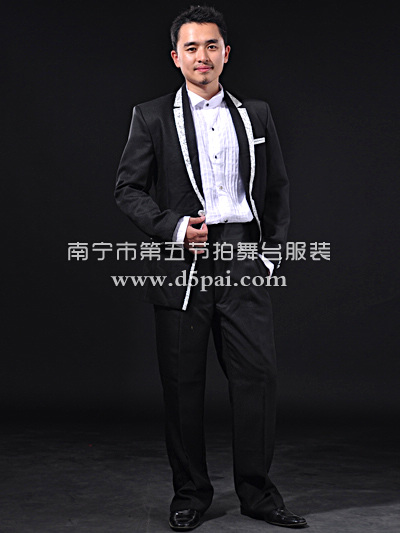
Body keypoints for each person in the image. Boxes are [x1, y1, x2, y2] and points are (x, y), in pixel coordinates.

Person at [115, 5, 307, 530]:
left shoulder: (256, 114)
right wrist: (175, 227)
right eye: (192, 47)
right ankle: (190, 494)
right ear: (176, 57)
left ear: (226, 53)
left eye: (212, 46)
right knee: (183, 385)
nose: (203, 56)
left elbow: (276, 188)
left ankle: (258, 495)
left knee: (258, 379)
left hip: (243, 258)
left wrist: (269, 255)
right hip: (183, 263)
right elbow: (127, 190)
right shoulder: (151, 116)